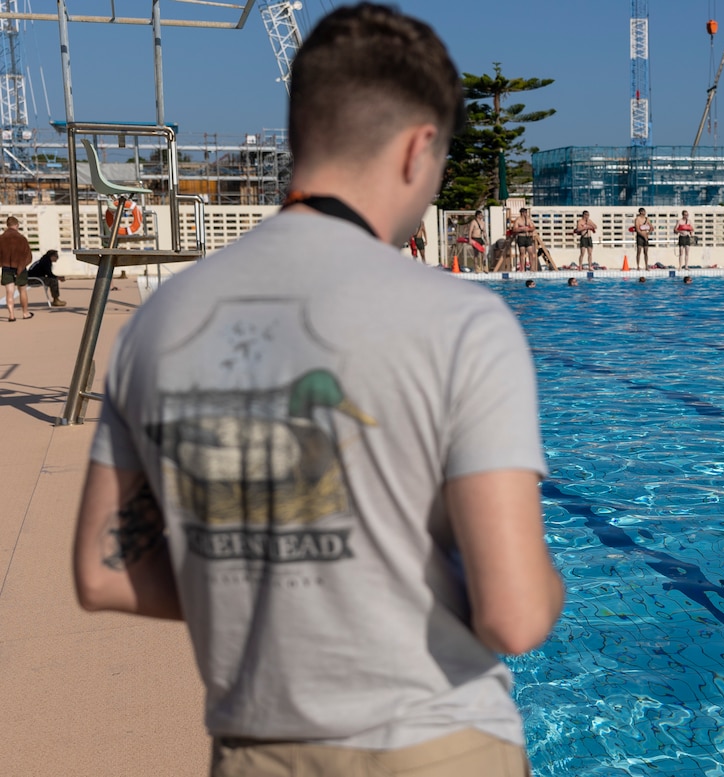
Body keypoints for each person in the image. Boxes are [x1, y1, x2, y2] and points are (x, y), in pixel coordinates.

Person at [73, 6, 564, 777]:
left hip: (257, 752)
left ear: (304, 132)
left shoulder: (159, 321)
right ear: (417, 148)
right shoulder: (462, 320)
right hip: (438, 741)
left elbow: (104, 570)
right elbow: (514, 614)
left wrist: (250, 594)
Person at [1, 215, 34, 321]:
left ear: (7, 225)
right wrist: (22, 265)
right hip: (20, 267)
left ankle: (11, 315)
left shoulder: (1, 238)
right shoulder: (22, 238)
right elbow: (28, 255)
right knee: (22, 290)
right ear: (17, 225)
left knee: (9, 292)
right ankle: (25, 313)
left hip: (6, 267)